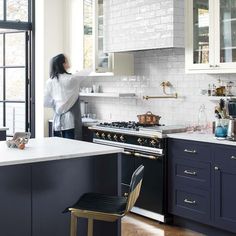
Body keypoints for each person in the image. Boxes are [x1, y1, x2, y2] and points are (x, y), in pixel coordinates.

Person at [44, 54, 83, 140]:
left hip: (57, 120)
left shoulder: (50, 81)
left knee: (59, 149)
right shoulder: (72, 79)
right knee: (71, 149)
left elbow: (45, 102)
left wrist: (57, 104)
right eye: (66, 60)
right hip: (70, 121)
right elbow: (75, 94)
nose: (68, 61)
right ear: (63, 63)